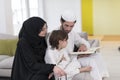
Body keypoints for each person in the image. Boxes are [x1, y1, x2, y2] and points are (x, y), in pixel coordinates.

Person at [58, 10, 109, 79]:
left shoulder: (72, 33)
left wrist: (83, 45)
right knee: (91, 61)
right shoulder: (55, 34)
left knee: (97, 55)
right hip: (68, 62)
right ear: (61, 22)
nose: (68, 29)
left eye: (71, 26)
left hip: (74, 58)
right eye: (66, 25)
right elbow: (58, 56)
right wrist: (77, 57)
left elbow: (83, 41)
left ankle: (102, 77)